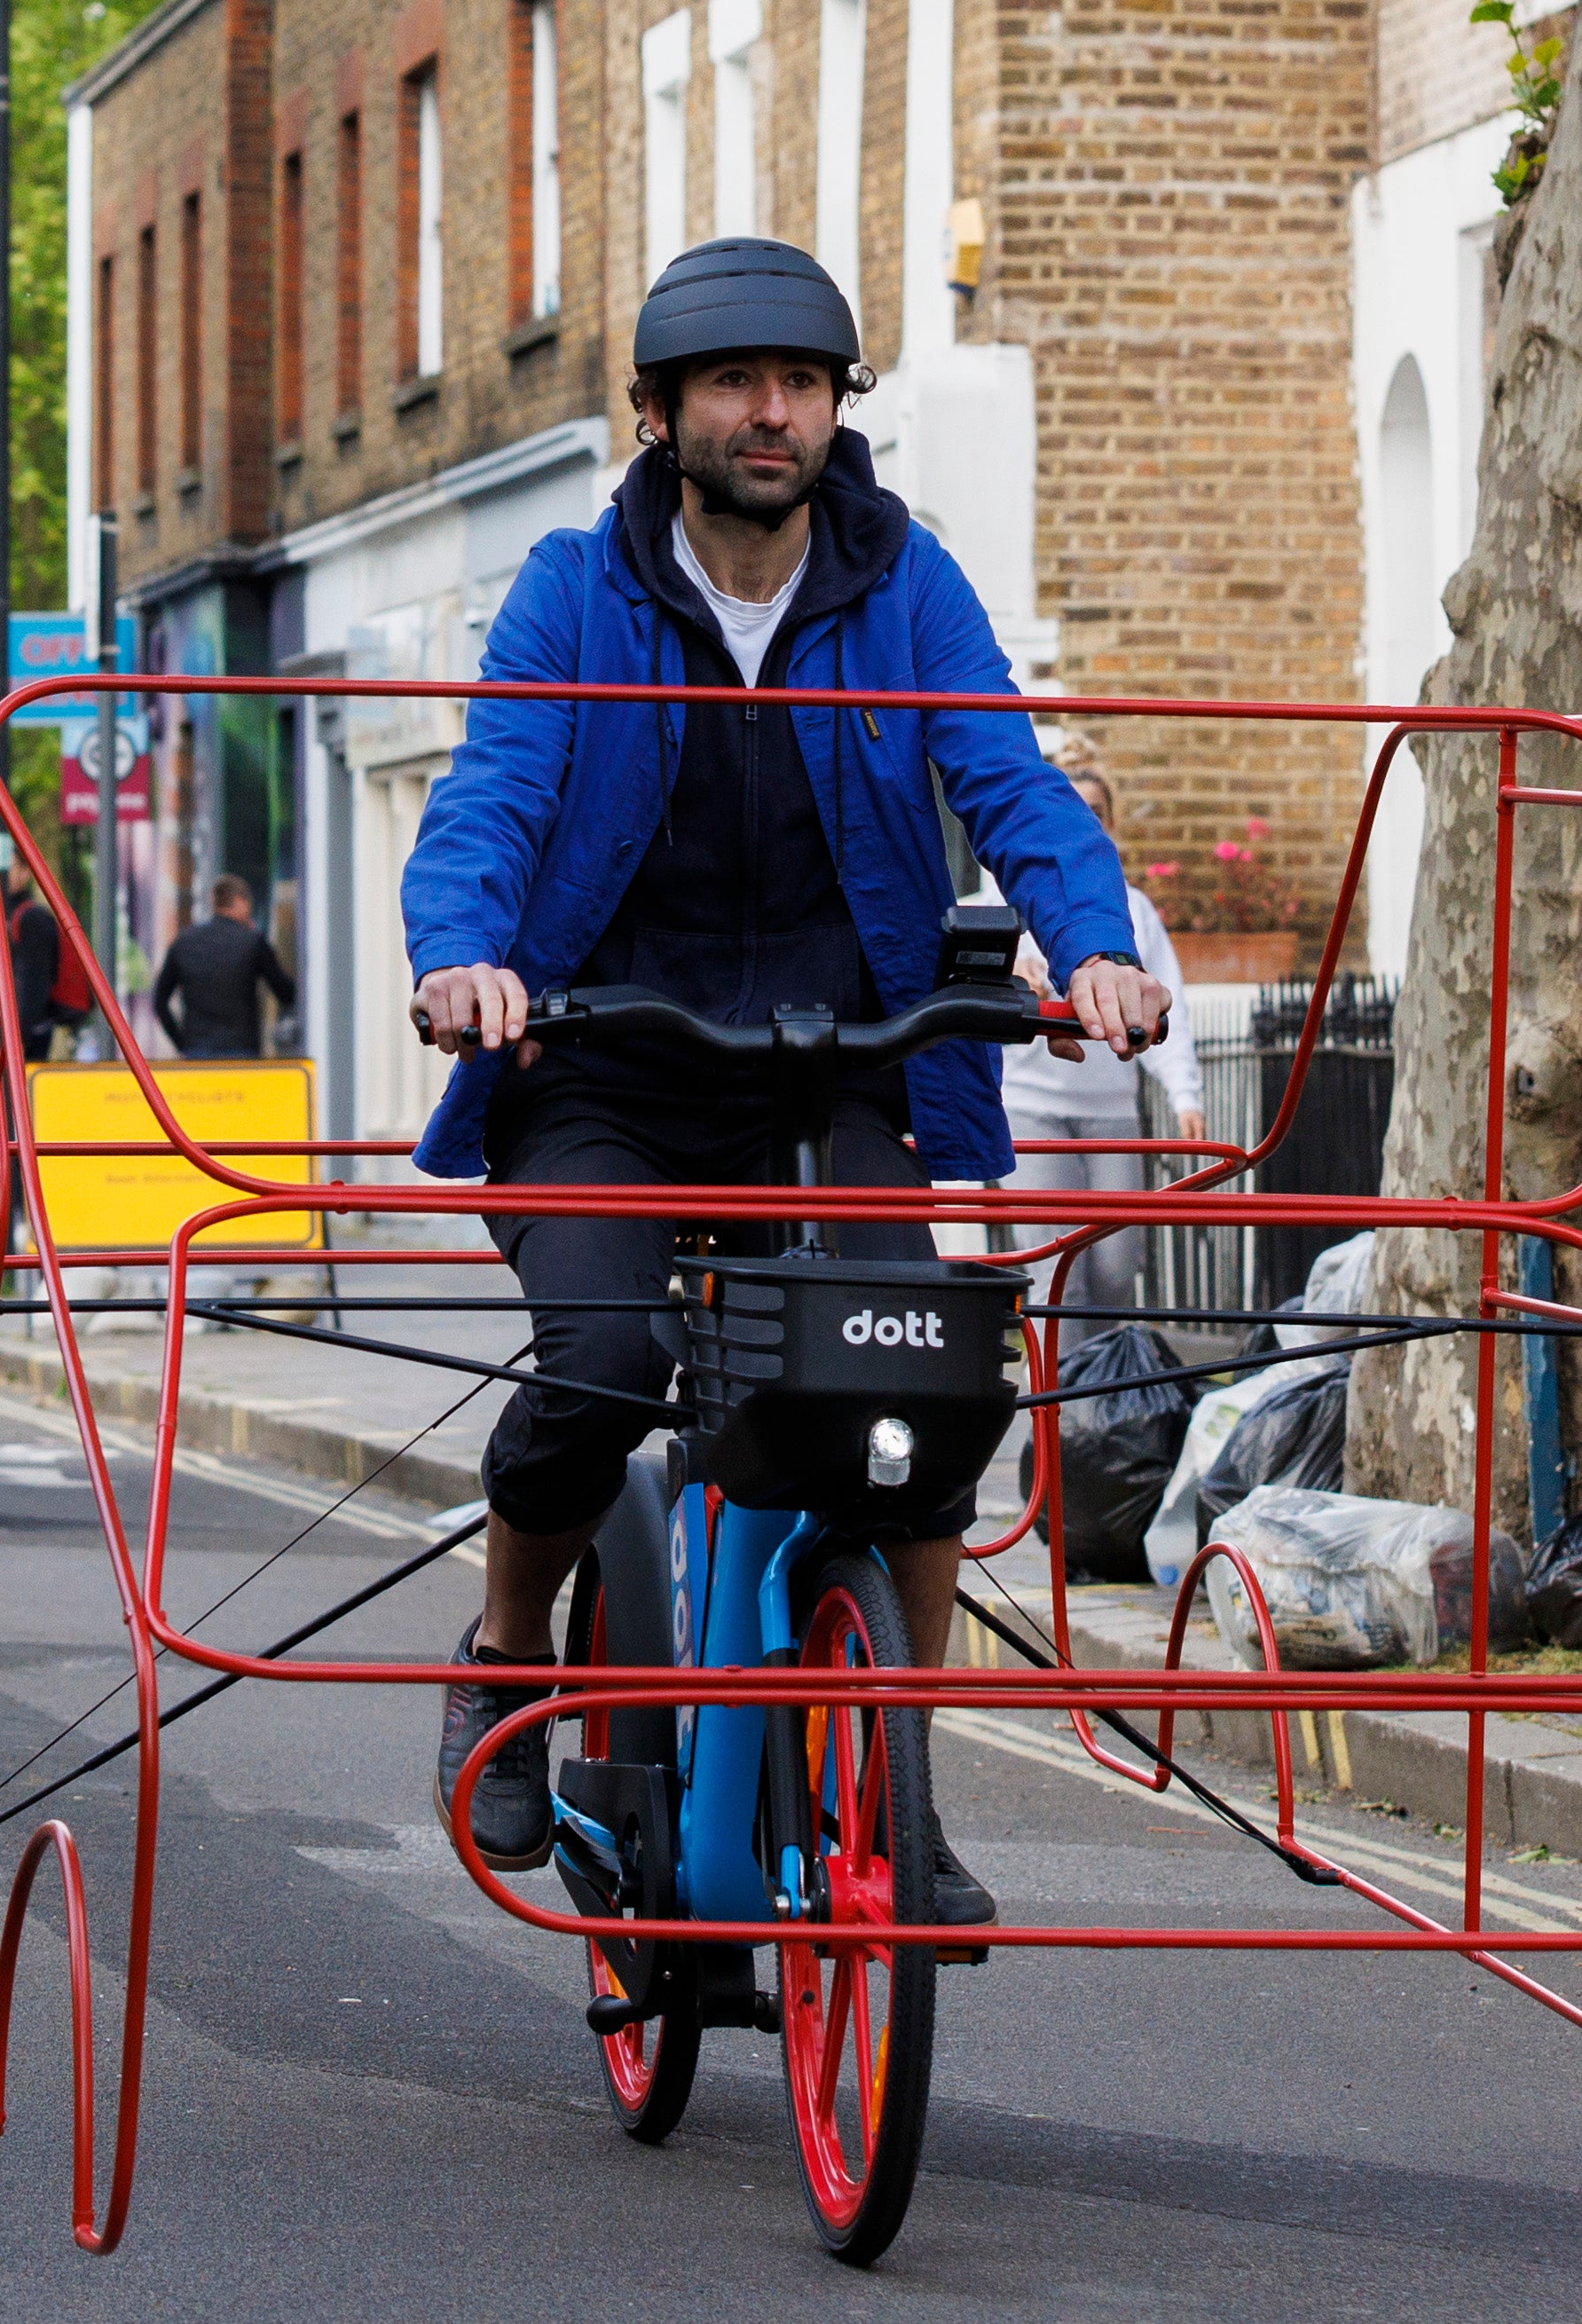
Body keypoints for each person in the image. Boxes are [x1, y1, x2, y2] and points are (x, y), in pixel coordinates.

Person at [402, 235, 1168, 1920]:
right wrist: (464, 954)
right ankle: (510, 1652)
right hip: (599, 1061)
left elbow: (1004, 774)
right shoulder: (573, 586)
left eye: (803, 383)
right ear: (662, 409)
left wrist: (1087, 939)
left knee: (928, 1398)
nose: (773, 412)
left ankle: (900, 1781)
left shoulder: (906, 585)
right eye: (737, 383)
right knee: (600, 1362)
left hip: (831, 1070)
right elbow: (495, 788)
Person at [997, 730, 1201, 1320]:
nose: (1084, 823)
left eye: (1096, 813)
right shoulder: (1003, 895)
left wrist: (1183, 1092)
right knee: (1055, 1276)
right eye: (1072, 810)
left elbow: (1168, 1001)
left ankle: (1100, 1403)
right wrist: (1009, 969)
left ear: (1110, 824)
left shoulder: (1131, 909)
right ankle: (1065, 1413)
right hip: (1030, 1107)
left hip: (1111, 1108)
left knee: (1115, 1268)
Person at [151, 875, 294, 1060]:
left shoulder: (184, 942)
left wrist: (182, 1043)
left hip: (196, 1051)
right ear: (239, 902)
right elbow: (284, 992)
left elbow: (160, 1002)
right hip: (242, 1051)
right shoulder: (252, 942)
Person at [3, 873, 69, 1067]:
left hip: (28, 1031)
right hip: (16, 1028)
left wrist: (20, 1036)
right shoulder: (10, 914)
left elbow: (35, 984)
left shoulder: (31, 918)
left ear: (24, 873)